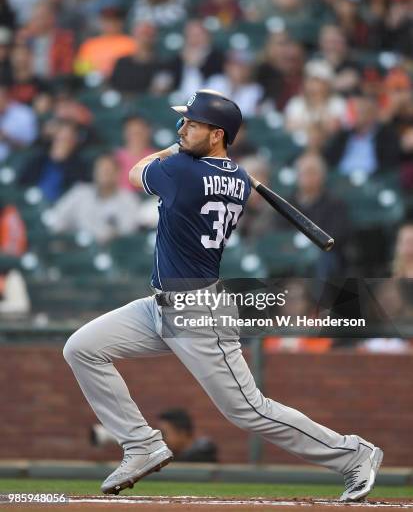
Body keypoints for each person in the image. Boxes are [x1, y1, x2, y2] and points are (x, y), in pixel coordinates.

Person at [63, 89, 383, 501]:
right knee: (83, 348)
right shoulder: (235, 178)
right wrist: (199, 153)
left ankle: (354, 454)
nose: (182, 129)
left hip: (198, 310)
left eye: (192, 124)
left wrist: (173, 150)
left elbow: (134, 171)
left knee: (249, 410)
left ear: (217, 135)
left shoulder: (180, 171)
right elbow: (217, 171)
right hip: (161, 305)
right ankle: (141, 444)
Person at [46, 153, 143, 244]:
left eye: (107, 170)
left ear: (117, 173)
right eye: (100, 170)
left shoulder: (129, 199)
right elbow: (57, 218)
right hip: (76, 248)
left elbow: (128, 233)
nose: (103, 174)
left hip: (111, 253)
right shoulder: (79, 192)